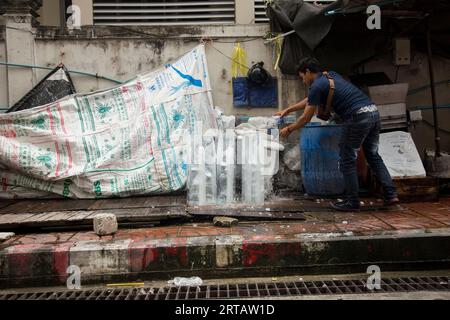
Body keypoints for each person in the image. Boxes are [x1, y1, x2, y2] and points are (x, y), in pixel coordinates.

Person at [275, 57, 399, 211]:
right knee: (373, 156)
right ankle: (391, 194)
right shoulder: (330, 76)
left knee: (347, 160)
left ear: (307, 72)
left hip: (357, 117)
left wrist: (289, 129)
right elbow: (310, 99)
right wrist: (288, 109)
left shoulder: (317, 86)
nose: (302, 80)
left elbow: (306, 118)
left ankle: (352, 202)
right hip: (373, 113)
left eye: (302, 76)